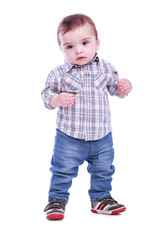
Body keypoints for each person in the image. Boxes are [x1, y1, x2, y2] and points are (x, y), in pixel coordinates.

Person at [41, 14, 132, 220]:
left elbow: (115, 89)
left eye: (84, 43)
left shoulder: (106, 68)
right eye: (70, 47)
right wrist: (57, 99)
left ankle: (101, 199)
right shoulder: (59, 73)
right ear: (62, 49)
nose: (78, 50)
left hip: (101, 135)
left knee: (104, 169)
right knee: (62, 169)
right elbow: (46, 96)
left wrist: (123, 87)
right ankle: (56, 200)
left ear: (96, 43)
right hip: (69, 136)